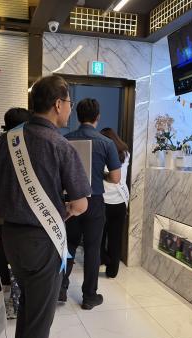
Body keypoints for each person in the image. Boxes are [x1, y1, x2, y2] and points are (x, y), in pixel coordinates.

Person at [0, 75, 91, 338]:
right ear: (57, 104)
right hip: (42, 241)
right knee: (39, 317)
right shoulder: (60, 145)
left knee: (28, 307)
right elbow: (81, 204)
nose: (69, 109)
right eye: (68, 103)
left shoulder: (7, 141)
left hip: (12, 238)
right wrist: (63, 213)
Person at [60, 98, 121, 310]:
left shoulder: (64, 140)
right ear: (98, 117)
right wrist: (101, 175)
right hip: (94, 201)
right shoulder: (106, 143)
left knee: (68, 244)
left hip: (70, 199)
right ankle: (89, 296)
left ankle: (60, 289)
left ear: (77, 116)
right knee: (93, 248)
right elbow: (115, 177)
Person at [0, 107, 30, 285]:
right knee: (5, 263)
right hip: (0, 213)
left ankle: (3, 290)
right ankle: (6, 293)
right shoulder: (10, 146)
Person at [99, 128, 130, 278]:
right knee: (115, 238)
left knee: (99, 236)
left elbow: (110, 176)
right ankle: (112, 271)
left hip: (103, 202)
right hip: (120, 202)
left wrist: (102, 174)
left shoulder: (102, 154)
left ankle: (102, 259)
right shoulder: (126, 154)